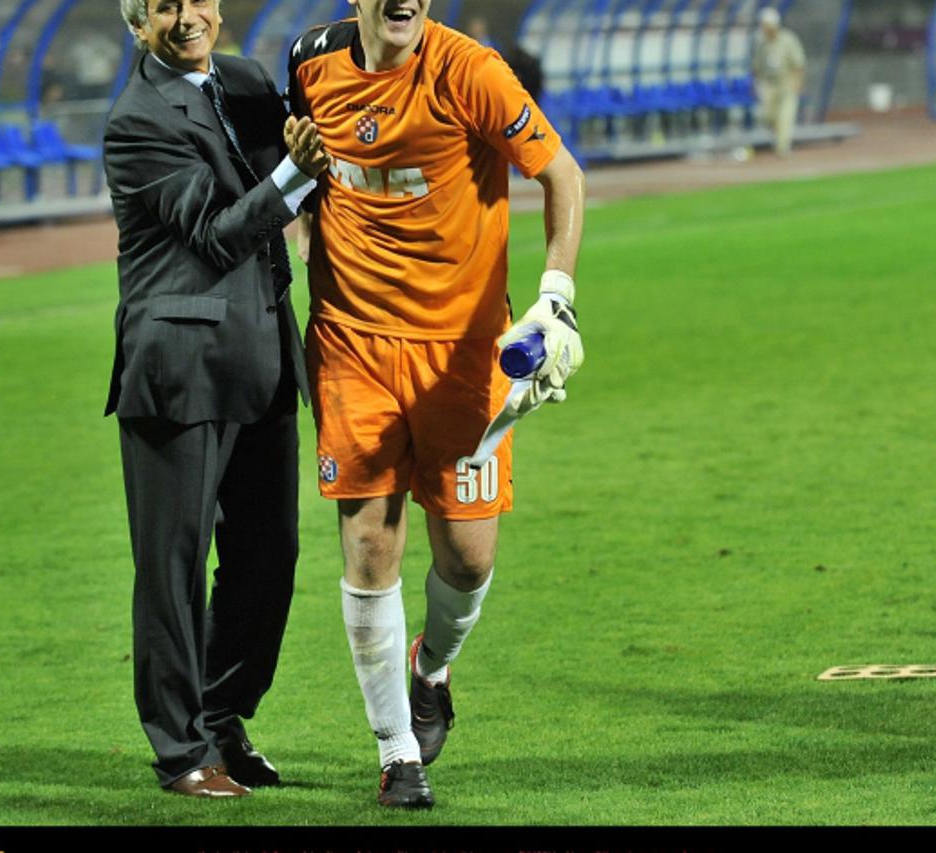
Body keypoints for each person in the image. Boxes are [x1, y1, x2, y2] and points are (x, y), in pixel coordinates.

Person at [288, 0, 585, 809]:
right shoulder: (309, 63)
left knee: (468, 560)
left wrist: (555, 297)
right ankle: (396, 750)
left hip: (462, 354)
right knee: (370, 547)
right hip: (352, 342)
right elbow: (306, 175)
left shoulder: (472, 72)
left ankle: (431, 666)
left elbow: (561, 173)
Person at [104, 0, 328, 799]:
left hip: (264, 353)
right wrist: (298, 170)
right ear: (137, 25)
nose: (186, 17)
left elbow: (323, 127)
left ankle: (224, 715)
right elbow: (219, 231)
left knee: (270, 556)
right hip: (179, 364)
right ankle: (179, 751)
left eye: (197, 0)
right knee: (172, 564)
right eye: (164, 6)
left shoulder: (243, 80)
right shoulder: (136, 121)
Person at [752, 6, 806, 157]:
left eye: (766, 25)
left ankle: (782, 147)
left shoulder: (788, 40)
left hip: (786, 81)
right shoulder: (761, 42)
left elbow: (799, 64)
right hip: (769, 83)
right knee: (767, 115)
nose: (764, 28)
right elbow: (756, 66)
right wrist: (755, 83)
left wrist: (798, 82)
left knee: (786, 115)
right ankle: (779, 139)